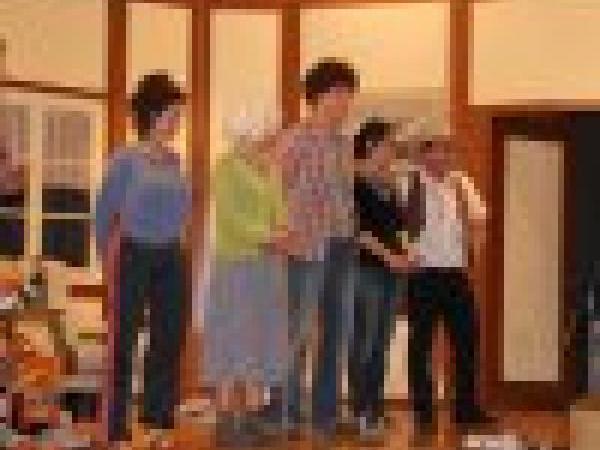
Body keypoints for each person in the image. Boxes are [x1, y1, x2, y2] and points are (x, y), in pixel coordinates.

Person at [95, 72, 190, 447]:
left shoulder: (175, 161)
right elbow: (104, 214)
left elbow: (181, 211)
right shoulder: (125, 159)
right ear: (153, 112)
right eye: (173, 113)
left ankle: (157, 423)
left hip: (171, 255)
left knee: (168, 340)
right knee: (123, 343)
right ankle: (115, 430)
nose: (178, 120)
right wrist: (107, 264)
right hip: (131, 253)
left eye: (179, 114)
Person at [274, 57, 358, 439]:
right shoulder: (293, 139)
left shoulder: (344, 143)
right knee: (298, 333)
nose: (345, 101)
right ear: (317, 96)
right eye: (338, 93)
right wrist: (282, 237)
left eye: (348, 94)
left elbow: (345, 196)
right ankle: (286, 413)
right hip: (305, 246)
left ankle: (326, 415)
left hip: (342, 244)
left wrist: (352, 232)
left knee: (337, 333)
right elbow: (274, 191)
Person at [201, 124, 289, 443]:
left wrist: (283, 232)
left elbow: (280, 214)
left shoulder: (271, 171)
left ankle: (251, 417)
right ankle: (225, 422)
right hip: (236, 265)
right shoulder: (226, 166)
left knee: (261, 341)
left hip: (267, 267)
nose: (274, 143)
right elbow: (230, 219)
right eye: (269, 136)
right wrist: (269, 237)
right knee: (231, 340)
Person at [407, 138, 493, 444]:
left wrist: (475, 251)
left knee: (468, 341)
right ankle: (424, 414)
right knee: (421, 346)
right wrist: (405, 253)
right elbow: (395, 223)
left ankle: (466, 409)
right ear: (423, 154)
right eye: (435, 151)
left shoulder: (461, 183)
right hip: (422, 275)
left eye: (447, 151)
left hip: (456, 274)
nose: (442, 157)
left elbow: (480, 219)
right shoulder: (410, 183)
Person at [348, 118, 423, 439]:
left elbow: (399, 227)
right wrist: (390, 257)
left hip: (392, 272)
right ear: (371, 145)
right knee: (364, 342)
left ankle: (375, 408)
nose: (394, 150)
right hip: (364, 269)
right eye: (389, 144)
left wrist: (407, 253)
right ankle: (360, 411)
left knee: (382, 342)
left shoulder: (390, 185)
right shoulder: (353, 182)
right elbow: (358, 231)